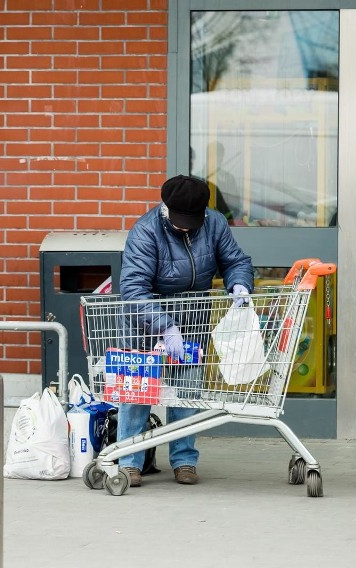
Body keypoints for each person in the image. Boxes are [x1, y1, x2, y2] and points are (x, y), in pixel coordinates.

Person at [117, 174, 254, 487]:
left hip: (192, 321)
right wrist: (165, 327)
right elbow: (134, 287)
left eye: (192, 221)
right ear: (166, 209)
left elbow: (235, 260)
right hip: (146, 325)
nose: (185, 228)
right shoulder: (145, 230)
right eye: (180, 221)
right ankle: (129, 463)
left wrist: (239, 283)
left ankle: (184, 461)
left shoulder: (215, 223)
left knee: (188, 395)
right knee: (137, 396)